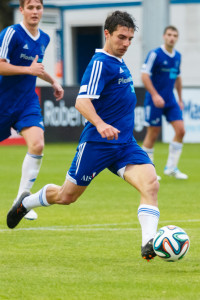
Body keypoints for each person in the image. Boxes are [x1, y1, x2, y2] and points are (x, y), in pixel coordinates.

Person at [7, 11, 160, 261]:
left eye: (130, 39)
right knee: (67, 196)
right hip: (97, 144)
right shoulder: (101, 62)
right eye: (121, 37)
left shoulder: (119, 63)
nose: (126, 43)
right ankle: (27, 202)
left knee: (151, 184)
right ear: (107, 34)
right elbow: (81, 100)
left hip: (124, 144)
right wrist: (100, 124)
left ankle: (149, 244)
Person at [0, 0, 64, 221]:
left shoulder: (44, 38)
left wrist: (53, 81)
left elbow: (36, 68)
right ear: (22, 10)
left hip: (26, 101)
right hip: (2, 100)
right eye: (30, 7)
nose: (35, 12)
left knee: (37, 143)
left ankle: (21, 201)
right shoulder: (11, 33)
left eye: (38, 7)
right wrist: (29, 69)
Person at [141, 25, 188, 180]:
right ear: (164, 36)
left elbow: (178, 78)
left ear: (177, 38)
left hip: (170, 100)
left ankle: (171, 167)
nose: (172, 37)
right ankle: (147, 171)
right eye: (169, 34)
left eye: (175, 35)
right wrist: (155, 95)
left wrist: (180, 99)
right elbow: (144, 75)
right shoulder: (155, 54)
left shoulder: (178, 56)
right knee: (153, 134)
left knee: (181, 130)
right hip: (154, 100)